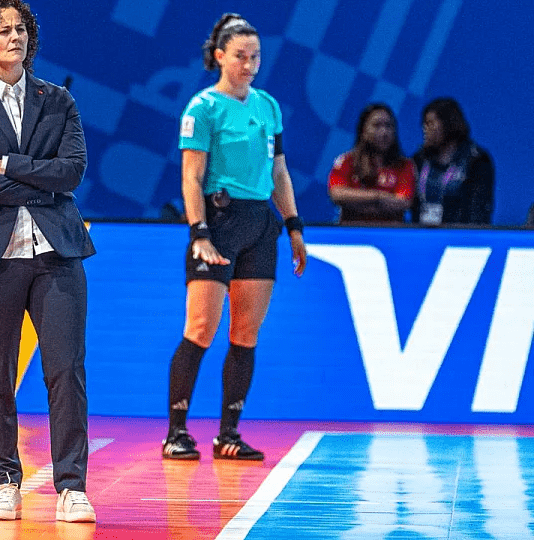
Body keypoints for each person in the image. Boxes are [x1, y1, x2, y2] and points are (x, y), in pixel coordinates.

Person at [0, 0, 97, 523]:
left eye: (21, 29)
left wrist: (10, 164)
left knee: (66, 370)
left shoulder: (59, 101)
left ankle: (71, 486)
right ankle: (3, 481)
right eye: (3, 30)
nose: (15, 37)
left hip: (56, 253)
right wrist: (39, 180)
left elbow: (71, 172)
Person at [162, 13, 307, 463]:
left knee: (245, 332)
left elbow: (279, 171)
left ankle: (229, 434)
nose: (249, 64)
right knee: (201, 329)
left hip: (259, 225)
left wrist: (294, 226)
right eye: (240, 56)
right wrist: (199, 233)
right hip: (218, 223)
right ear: (220, 56)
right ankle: (177, 432)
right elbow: (192, 176)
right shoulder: (202, 109)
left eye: (256, 56)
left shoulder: (268, 106)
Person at [411, 97, 494, 225]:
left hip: (460, 237)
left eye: (430, 123)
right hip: (423, 235)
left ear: (448, 123)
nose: (425, 129)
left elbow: (479, 209)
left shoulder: (476, 160)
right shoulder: (419, 159)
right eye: (424, 124)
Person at [328, 103, 415, 224]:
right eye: (377, 125)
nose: (384, 132)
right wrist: (378, 196)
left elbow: (403, 202)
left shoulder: (405, 165)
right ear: (363, 130)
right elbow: (337, 194)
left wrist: (355, 203)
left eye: (388, 126)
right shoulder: (346, 161)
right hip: (352, 234)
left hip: (390, 235)